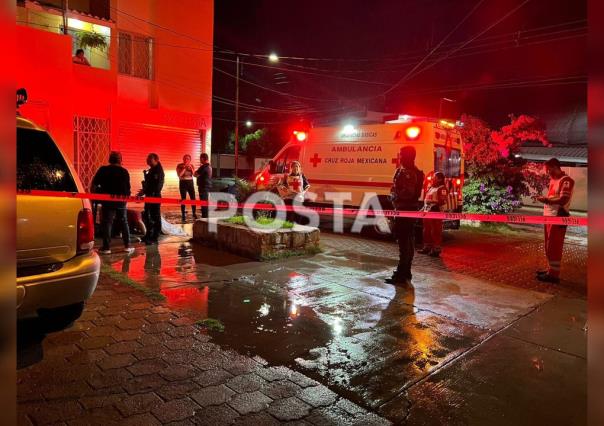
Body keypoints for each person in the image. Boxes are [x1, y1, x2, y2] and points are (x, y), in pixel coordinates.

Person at [386, 146, 424, 286]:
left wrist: (395, 195)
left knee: (404, 243)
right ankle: (405, 271)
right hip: (408, 210)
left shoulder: (409, 173)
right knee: (408, 241)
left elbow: (407, 193)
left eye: (402, 155)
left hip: (405, 210)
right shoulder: (415, 172)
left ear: (408, 156)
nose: (400, 157)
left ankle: (402, 273)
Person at [535, 158, 575, 283]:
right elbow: (554, 197)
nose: (548, 173)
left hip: (558, 217)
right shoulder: (554, 180)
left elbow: (563, 199)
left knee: (554, 246)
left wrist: (546, 200)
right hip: (549, 216)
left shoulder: (566, 180)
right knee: (548, 245)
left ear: (555, 167)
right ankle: (550, 270)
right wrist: (546, 199)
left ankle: (554, 275)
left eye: (549, 170)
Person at [90, 151, 134, 255]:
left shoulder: (103, 170)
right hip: (121, 201)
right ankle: (127, 246)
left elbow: (94, 185)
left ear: (110, 159)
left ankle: (106, 248)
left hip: (107, 201)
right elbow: (128, 188)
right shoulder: (124, 171)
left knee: (107, 223)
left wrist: (95, 195)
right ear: (120, 160)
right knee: (124, 222)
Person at [418, 172, 448, 257]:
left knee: (435, 231)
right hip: (427, 213)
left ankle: (436, 249)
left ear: (440, 179)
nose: (432, 179)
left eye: (434, 177)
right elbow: (427, 201)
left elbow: (442, 202)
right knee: (426, 231)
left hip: (435, 213)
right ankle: (427, 247)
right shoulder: (431, 188)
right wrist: (423, 209)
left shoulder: (442, 188)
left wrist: (435, 208)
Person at [139, 153, 164, 245]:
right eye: (147, 159)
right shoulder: (152, 170)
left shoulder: (159, 171)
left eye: (150, 159)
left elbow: (157, 186)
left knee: (155, 216)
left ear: (156, 160)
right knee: (147, 215)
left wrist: (147, 191)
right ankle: (148, 234)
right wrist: (144, 190)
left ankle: (155, 237)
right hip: (149, 196)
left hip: (155, 196)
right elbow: (149, 184)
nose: (148, 161)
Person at [176, 154, 197, 222]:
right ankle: (183, 214)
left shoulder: (192, 166)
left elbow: (194, 175)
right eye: (185, 158)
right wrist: (184, 168)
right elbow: (179, 175)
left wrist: (191, 169)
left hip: (190, 182)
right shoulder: (179, 165)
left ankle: (194, 213)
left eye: (188, 159)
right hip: (183, 183)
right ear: (183, 159)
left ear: (190, 160)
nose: (186, 160)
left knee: (193, 198)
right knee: (183, 199)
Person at [194, 153, 212, 218]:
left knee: (204, 204)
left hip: (203, 187)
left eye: (200, 159)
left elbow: (195, 175)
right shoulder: (209, 166)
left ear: (202, 158)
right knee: (205, 203)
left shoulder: (203, 166)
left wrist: (193, 170)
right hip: (207, 187)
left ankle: (205, 218)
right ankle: (205, 217)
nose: (200, 160)